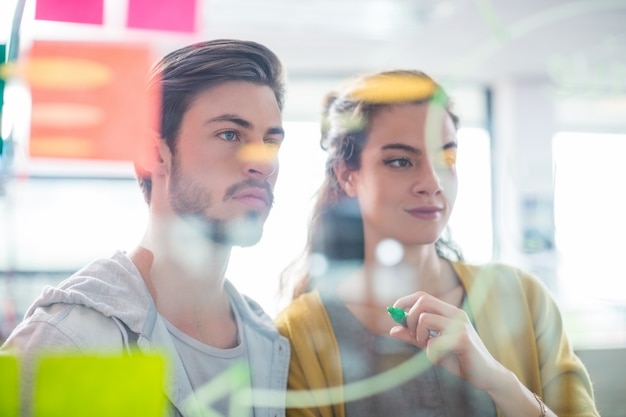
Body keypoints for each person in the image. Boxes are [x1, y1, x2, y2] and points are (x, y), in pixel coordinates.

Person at [275, 70, 599, 417]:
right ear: (347, 175)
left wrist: (500, 383)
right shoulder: (299, 331)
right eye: (400, 161)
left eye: (446, 158)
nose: (432, 183)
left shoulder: (523, 297)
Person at [2, 39, 290, 417]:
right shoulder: (70, 339)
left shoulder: (268, 341)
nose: (262, 164)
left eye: (270, 141)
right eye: (230, 135)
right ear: (155, 154)